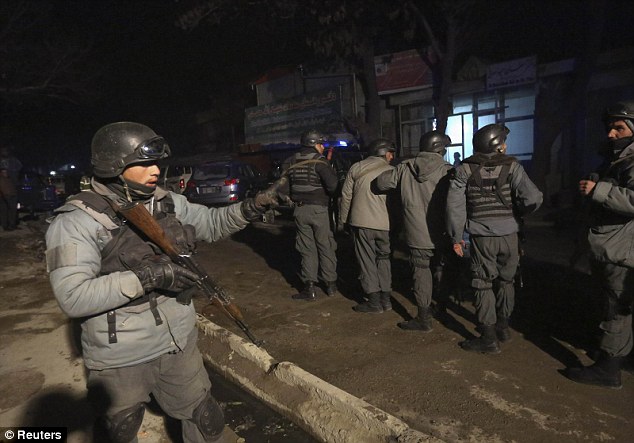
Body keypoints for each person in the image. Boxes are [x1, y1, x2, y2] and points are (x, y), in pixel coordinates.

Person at [45, 122, 278, 443]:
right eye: (143, 164)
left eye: (156, 162)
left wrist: (254, 206)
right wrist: (149, 276)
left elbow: (211, 223)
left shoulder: (166, 202)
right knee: (119, 431)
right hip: (120, 356)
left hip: (178, 344)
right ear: (114, 166)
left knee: (206, 420)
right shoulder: (76, 221)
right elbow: (73, 296)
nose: (155, 170)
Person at [446, 123, 542, 354]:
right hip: (510, 235)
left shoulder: (464, 170)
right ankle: (503, 327)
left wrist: (456, 237)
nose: (506, 146)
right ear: (496, 146)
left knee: (482, 284)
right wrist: (518, 214)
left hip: (482, 237)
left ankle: (488, 338)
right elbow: (534, 198)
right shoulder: (513, 167)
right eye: (503, 142)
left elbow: (455, 207)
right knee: (507, 281)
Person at [564, 101, 634, 389]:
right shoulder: (617, 160)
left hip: (621, 250)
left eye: (619, 128)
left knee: (616, 308)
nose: (612, 134)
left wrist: (599, 190)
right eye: (610, 128)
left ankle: (608, 369)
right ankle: (614, 354)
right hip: (611, 245)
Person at [375, 131, 453, 329]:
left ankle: (423, 317)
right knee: (441, 268)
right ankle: (441, 308)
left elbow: (381, 183)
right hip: (443, 232)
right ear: (440, 149)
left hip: (416, 232)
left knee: (420, 272)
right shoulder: (448, 170)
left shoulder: (405, 167)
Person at [280, 129, 339, 300]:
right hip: (319, 210)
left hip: (299, 210)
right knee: (325, 245)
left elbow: (283, 187)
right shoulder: (320, 162)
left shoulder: (290, 161)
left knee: (307, 249)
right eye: (322, 144)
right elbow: (333, 186)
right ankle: (330, 285)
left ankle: (310, 288)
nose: (323, 147)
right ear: (315, 144)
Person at [339, 138, 395, 313]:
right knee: (384, 259)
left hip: (361, 222)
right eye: (391, 153)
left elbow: (346, 196)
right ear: (385, 153)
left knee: (367, 260)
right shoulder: (393, 171)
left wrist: (343, 221)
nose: (392, 156)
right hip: (385, 224)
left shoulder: (357, 167)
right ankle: (386, 299)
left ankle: (373, 301)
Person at [0, 145, 22, 231]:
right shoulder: (4, 172)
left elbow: (19, 168)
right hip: (5, 192)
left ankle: (10, 225)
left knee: (10, 209)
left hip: (10, 191)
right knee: (6, 209)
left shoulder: (13, 161)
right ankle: (7, 225)